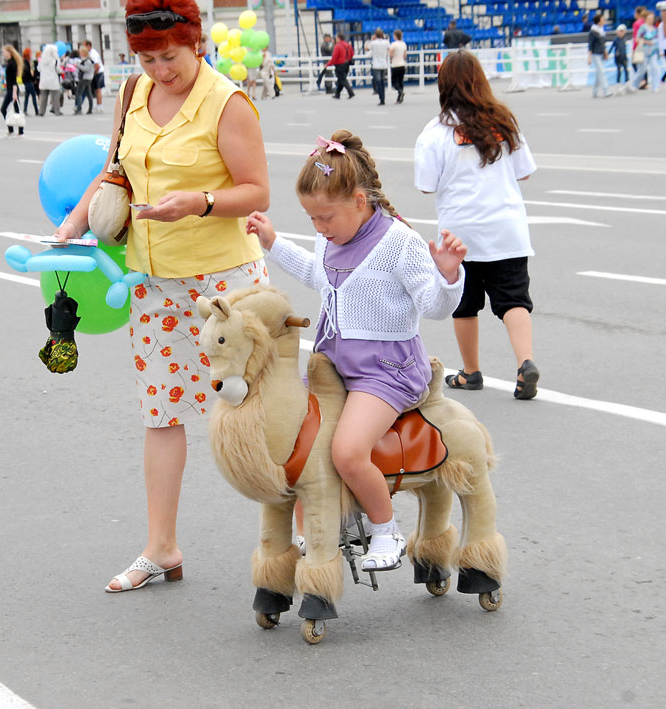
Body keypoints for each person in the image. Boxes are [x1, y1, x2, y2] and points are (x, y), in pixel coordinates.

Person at [52, 0, 270, 592]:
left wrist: (199, 202)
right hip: (153, 282)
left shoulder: (226, 101)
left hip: (225, 286)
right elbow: (113, 170)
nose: (160, 70)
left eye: (169, 56)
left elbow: (257, 192)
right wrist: (73, 224)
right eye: (147, 59)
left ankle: (300, 532)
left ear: (195, 42)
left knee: (254, 411)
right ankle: (161, 549)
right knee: (161, 412)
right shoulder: (132, 93)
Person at [246, 131, 466, 572]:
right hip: (333, 364)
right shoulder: (330, 238)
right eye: (311, 218)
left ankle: (386, 531)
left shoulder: (399, 242)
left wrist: (448, 277)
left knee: (347, 451)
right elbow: (317, 273)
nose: (319, 227)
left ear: (360, 201)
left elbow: (434, 307)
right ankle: (317, 529)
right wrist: (273, 243)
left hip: (386, 371)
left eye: (325, 217)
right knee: (296, 439)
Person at [414, 50, 539, 400]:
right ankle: (525, 362)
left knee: (465, 305)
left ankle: (471, 372)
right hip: (507, 230)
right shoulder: (503, 121)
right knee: (514, 300)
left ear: (444, 86)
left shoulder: (435, 132)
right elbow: (524, 171)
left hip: (460, 235)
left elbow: (426, 184)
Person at [631, 12, 661, 92]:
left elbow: (657, 39)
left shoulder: (655, 28)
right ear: (646, 19)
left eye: (652, 19)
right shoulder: (643, 28)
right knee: (642, 70)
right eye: (649, 19)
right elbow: (637, 39)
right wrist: (647, 42)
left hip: (653, 52)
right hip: (644, 51)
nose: (651, 20)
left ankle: (655, 86)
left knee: (655, 68)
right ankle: (634, 85)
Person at [0, 45, 24, 136]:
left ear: (9, 52)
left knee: (5, 109)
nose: (3, 54)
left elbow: (14, 80)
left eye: (4, 52)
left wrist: (14, 93)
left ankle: (17, 129)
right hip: (10, 88)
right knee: (15, 109)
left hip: (12, 89)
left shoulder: (12, 63)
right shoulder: (10, 62)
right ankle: (14, 129)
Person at [588, 12, 610, 98]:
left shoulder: (602, 30)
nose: (604, 21)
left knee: (599, 73)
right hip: (595, 53)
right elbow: (590, 44)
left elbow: (603, 43)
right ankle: (606, 90)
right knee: (601, 71)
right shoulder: (593, 31)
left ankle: (595, 92)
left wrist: (605, 52)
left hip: (601, 52)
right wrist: (589, 56)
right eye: (602, 19)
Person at [326, 33, 355, 99]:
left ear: (339, 38)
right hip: (347, 64)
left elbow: (334, 57)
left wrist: (328, 64)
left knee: (343, 80)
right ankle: (337, 94)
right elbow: (352, 53)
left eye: (336, 38)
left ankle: (351, 92)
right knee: (340, 80)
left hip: (339, 65)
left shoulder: (338, 46)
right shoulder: (348, 44)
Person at [37, 44, 62, 116]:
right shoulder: (55, 61)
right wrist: (62, 71)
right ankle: (57, 111)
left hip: (43, 81)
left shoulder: (42, 61)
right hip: (53, 81)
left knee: (43, 97)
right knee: (55, 97)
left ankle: (41, 111)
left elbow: (38, 69)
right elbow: (58, 70)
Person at [368, 28, 390, 105]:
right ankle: (383, 97)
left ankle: (381, 98)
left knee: (378, 82)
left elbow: (367, 48)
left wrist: (372, 39)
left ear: (375, 35)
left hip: (376, 64)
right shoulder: (386, 42)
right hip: (383, 63)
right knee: (382, 81)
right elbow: (389, 49)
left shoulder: (373, 43)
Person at [84, 40, 105, 113]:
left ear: (88, 46)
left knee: (98, 89)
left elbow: (97, 65)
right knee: (96, 90)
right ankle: (98, 104)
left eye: (84, 46)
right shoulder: (90, 53)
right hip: (97, 72)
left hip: (98, 73)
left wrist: (93, 74)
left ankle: (99, 105)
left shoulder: (93, 54)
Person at [73, 46, 94, 114]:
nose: (80, 54)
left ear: (84, 53)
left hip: (84, 78)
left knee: (79, 93)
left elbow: (86, 69)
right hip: (88, 79)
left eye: (81, 53)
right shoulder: (89, 60)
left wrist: (78, 65)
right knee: (89, 94)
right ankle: (90, 109)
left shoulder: (87, 61)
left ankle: (78, 108)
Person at [389, 29, 407, 103]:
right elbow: (404, 55)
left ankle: (400, 92)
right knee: (400, 81)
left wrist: (391, 58)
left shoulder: (393, 44)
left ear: (395, 36)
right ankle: (399, 97)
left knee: (394, 82)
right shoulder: (403, 44)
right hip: (402, 64)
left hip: (395, 65)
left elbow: (391, 54)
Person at [21, 48, 39, 115]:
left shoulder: (24, 61)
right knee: (33, 95)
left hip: (26, 81)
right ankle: (36, 111)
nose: (31, 55)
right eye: (30, 53)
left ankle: (25, 109)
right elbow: (28, 72)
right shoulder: (26, 62)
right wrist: (33, 79)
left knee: (27, 96)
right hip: (28, 81)